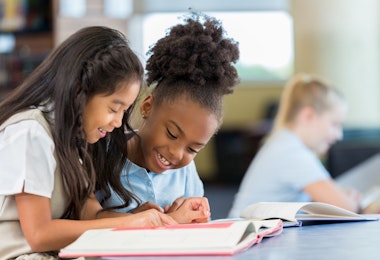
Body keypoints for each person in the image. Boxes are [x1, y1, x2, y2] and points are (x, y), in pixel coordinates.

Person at [0, 26, 177, 260]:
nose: (117, 122)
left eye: (124, 112)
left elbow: (91, 217)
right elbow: (39, 234)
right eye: (114, 108)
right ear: (79, 92)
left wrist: (138, 220)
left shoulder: (74, 140)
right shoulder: (31, 132)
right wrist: (131, 223)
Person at [98, 13, 240, 223]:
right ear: (147, 107)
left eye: (192, 149)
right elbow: (86, 219)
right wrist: (137, 220)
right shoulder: (103, 154)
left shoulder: (185, 172)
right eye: (172, 134)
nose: (176, 153)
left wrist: (197, 220)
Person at [228, 73, 362, 218]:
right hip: (244, 237)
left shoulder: (285, 142)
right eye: (334, 124)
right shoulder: (291, 152)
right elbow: (346, 209)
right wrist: (352, 200)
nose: (339, 135)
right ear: (308, 115)